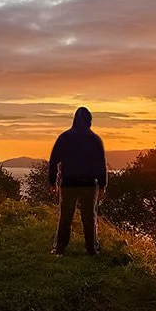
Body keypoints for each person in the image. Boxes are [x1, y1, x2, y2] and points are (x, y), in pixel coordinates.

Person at [47, 107, 108, 255]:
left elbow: (54, 160)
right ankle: (92, 250)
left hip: (69, 183)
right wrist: (102, 184)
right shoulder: (95, 140)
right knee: (89, 218)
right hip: (88, 184)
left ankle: (59, 249)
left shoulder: (64, 138)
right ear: (90, 121)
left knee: (65, 217)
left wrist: (52, 181)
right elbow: (101, 164)